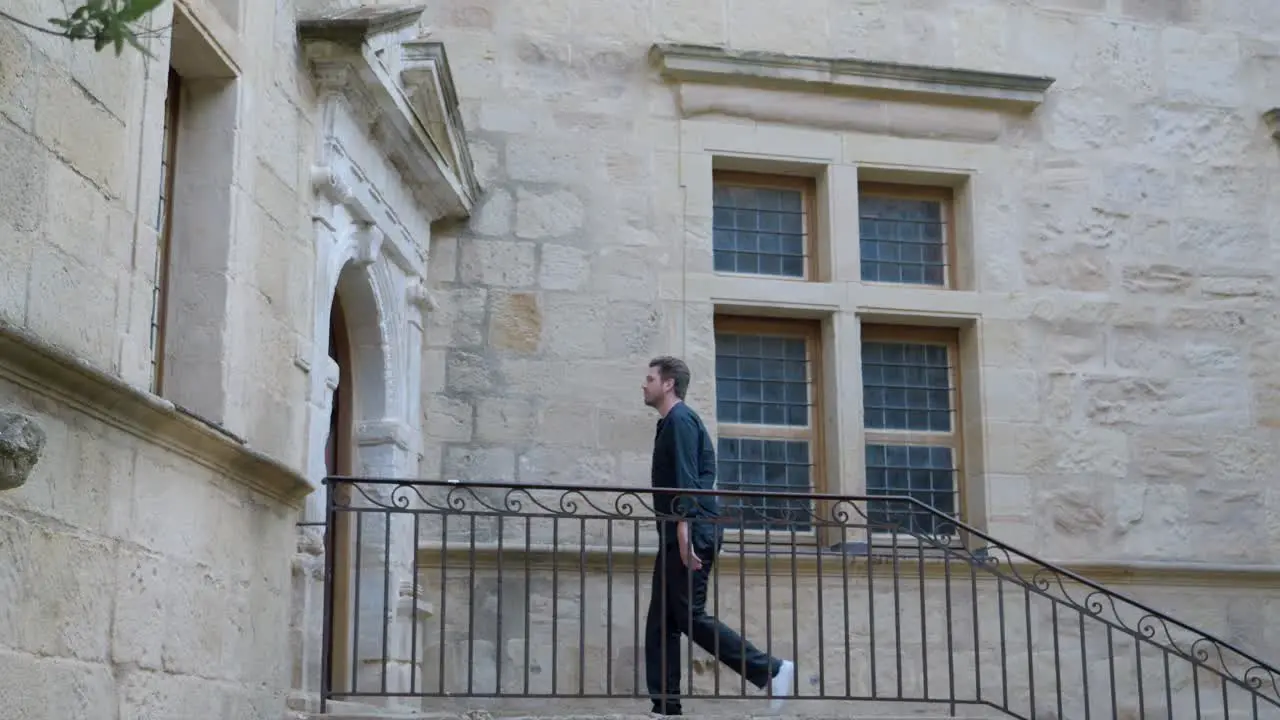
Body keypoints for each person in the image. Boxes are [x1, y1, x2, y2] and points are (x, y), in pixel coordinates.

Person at [641, 356, 795, 717]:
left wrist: (684, 529)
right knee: (662, 621)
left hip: (690, 528)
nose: (643, 384)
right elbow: (702, 473)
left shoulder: (679, 419)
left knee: (690, 617)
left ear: (667, 384)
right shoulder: (676, 422)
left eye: (649, 378)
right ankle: (665, 706)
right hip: (682, 526)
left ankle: (771, 669)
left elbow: (687, 478)